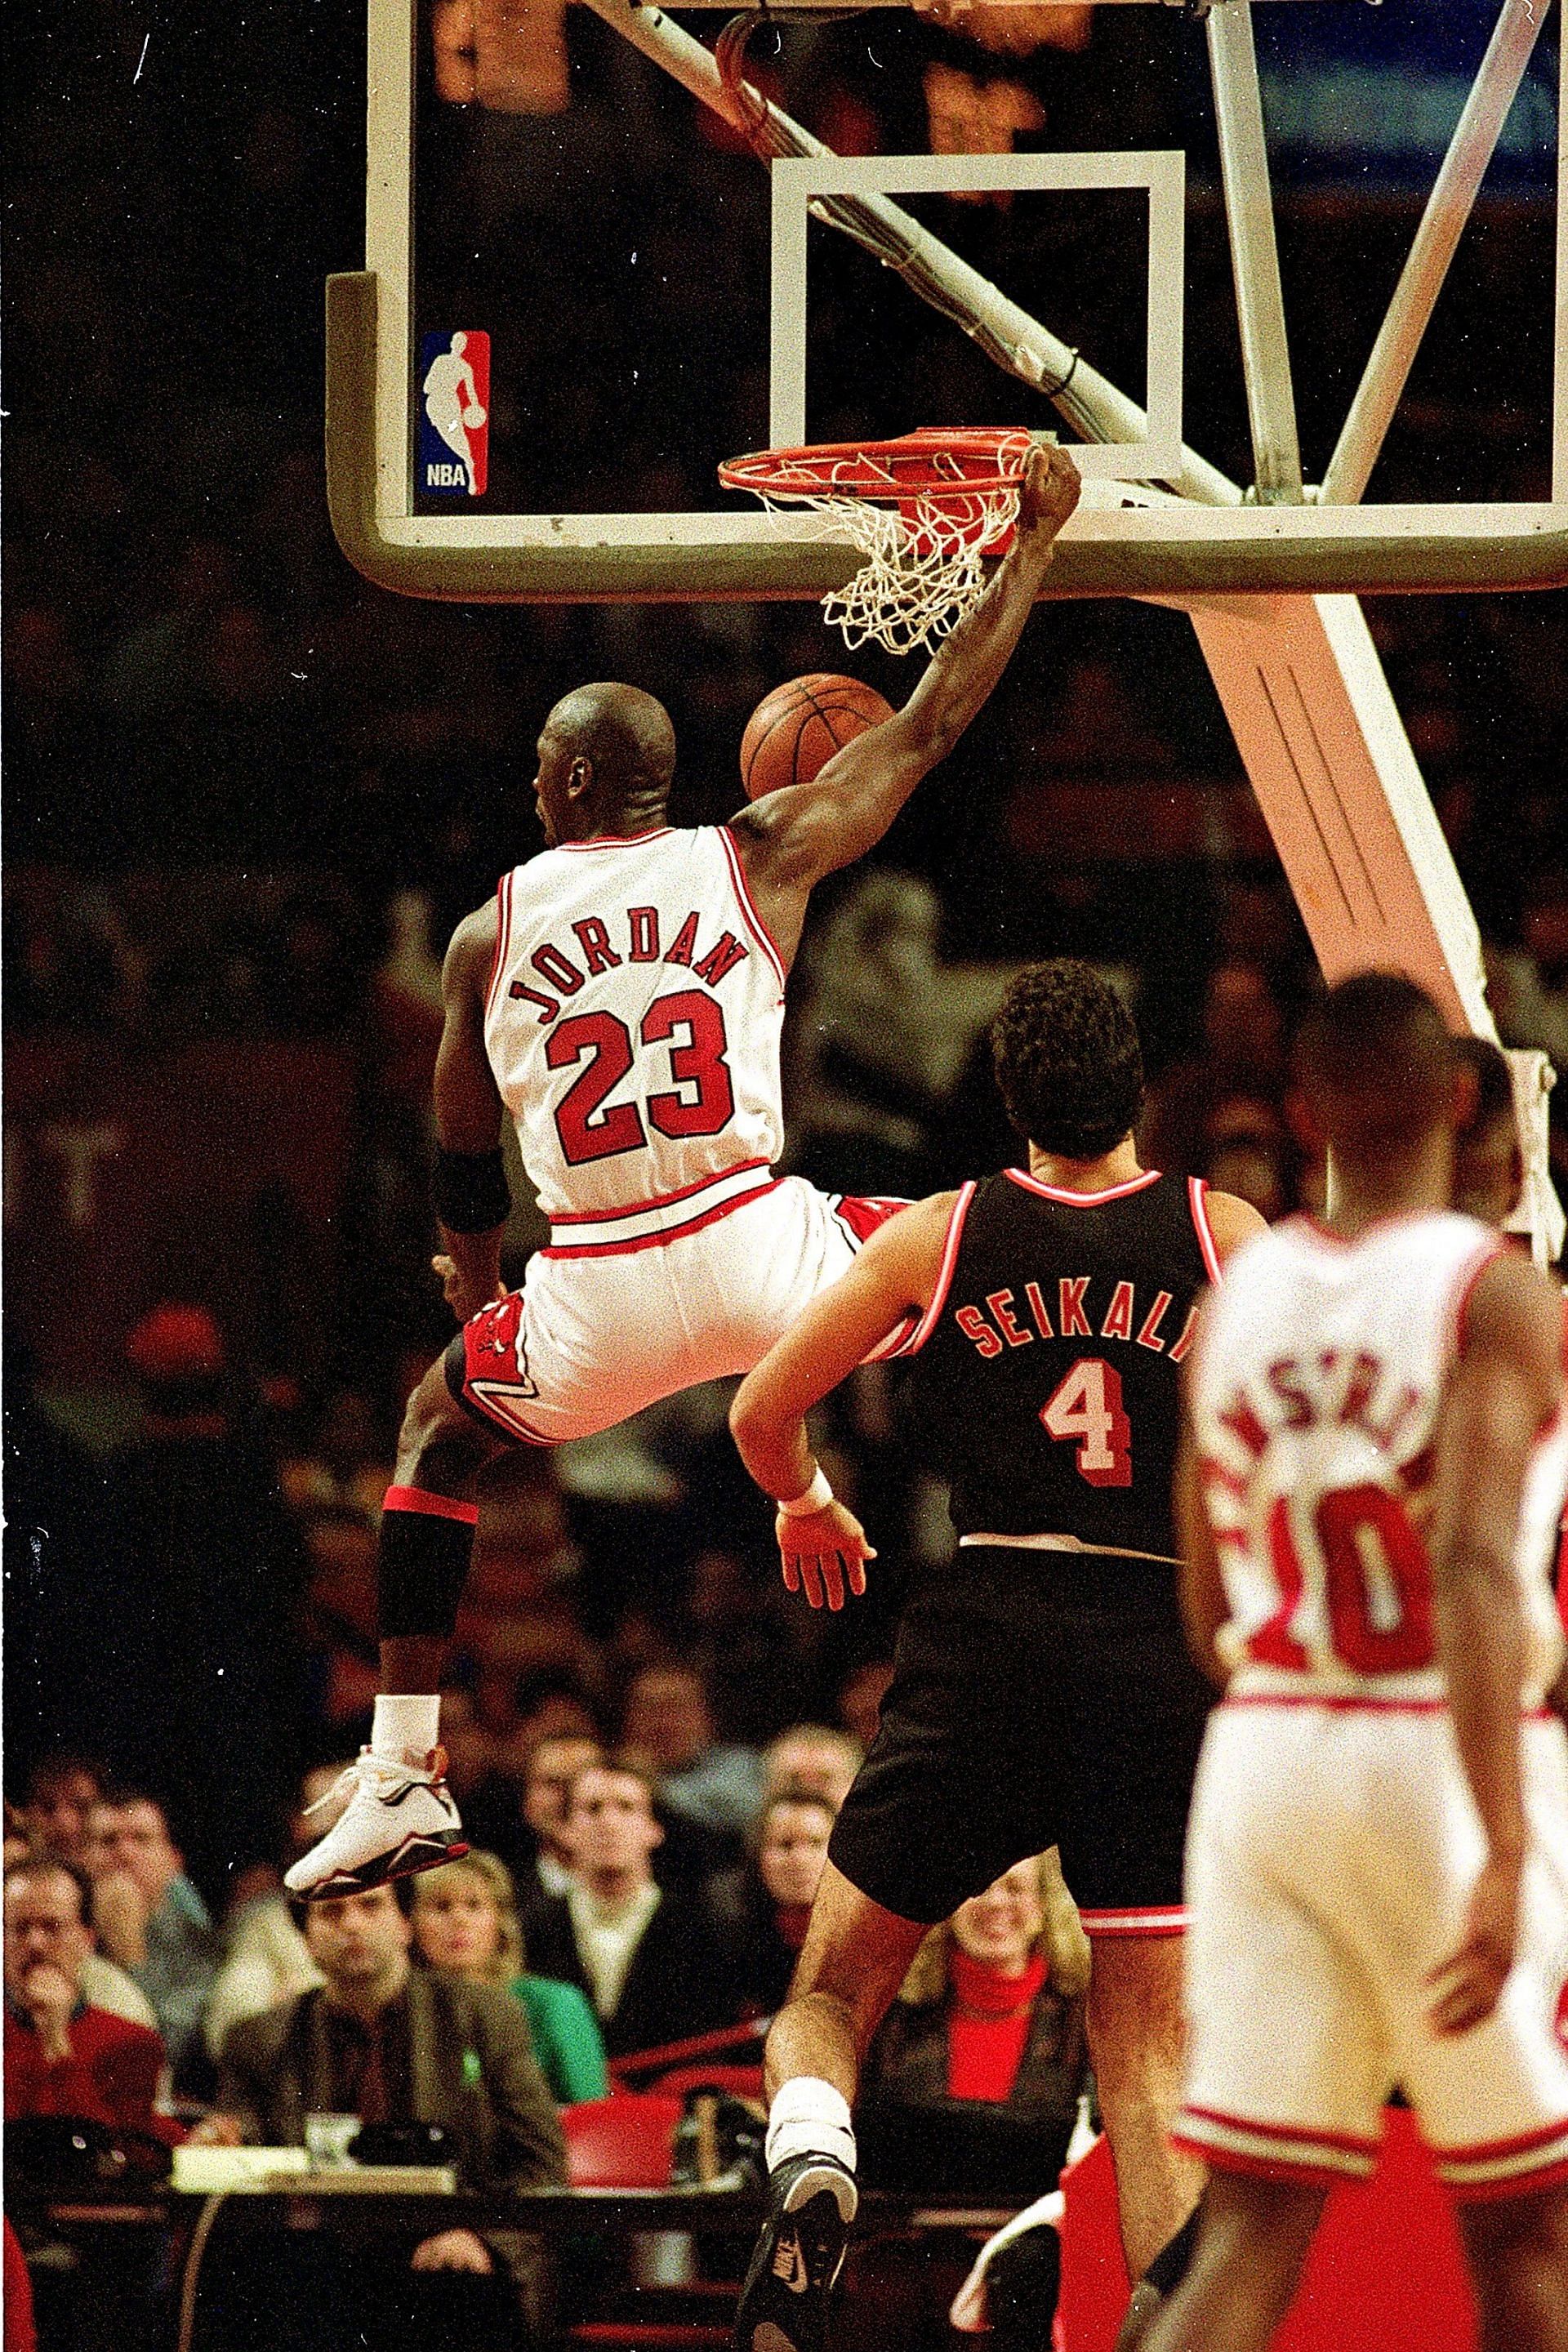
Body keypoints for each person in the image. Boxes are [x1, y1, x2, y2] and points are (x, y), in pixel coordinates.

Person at [286, 443, 1083, 1902]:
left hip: (593, 1293)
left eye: (541, 766)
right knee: (1000, 1246)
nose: (529, 782)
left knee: (433, 1439)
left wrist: (475, 1279)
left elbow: (459, 1139)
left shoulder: (486, 932)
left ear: (574, 779)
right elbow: (926, 729)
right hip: (764, 1251)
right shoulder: (760, 855)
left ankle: (401, 1771)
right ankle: (1081, 1555)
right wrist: (1029, 551)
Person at [725, 957, 1267, 2352]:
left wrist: (808, 1502)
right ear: (1144, 1084)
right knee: (1146, 2055)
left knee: (832, 1998)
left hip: (990, 1632)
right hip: (1159, 1640)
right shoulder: (1231, 1237)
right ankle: (1178, 2328)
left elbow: (761, 1412)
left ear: (1005, 1096)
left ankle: (811, 2158)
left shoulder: (939, 1236)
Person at [1142, 972, 1568, 2352]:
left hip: (1264, 1750)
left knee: (1252, 2233)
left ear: (1305, 1108)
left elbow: (1207, 1611)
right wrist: (1501, 1844)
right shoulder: (1489, 1294)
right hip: (1436, 1750)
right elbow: (1476, 1567)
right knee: (1524, 2227)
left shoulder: (1236, 1303)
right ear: (1461, 1100)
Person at [210, 1881, 565, 2351]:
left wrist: (483, 2237)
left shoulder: (482, 2015)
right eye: (332, 1913)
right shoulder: (260, 2040)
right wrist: (219, 2139)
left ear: (404, 1925)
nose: (353, 1924)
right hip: (319, 2253)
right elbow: (240, 2141)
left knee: (454, 2290)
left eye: (370, 1906)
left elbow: (541, 2162)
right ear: (307, 1938)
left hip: (449, 2243)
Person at [858, 1853, 1090, 2199]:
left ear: (1043, 1907)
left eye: (1014, 1889)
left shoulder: (1082, 2023)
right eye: (976, 1887)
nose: (995, 1902)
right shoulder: (893, 2019)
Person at [523, 1753, 746, 2059]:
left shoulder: (702, 1927)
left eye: (626, 1808)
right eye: (592, 1808)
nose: (608, 1822)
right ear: (567, 1831)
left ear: (654, 1829)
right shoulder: (532, 1927)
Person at [409, 1849, 609, 2102]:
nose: (459, 1920)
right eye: (442, 1907)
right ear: (411, 1925)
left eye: (474, 1906)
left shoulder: (555, 2005)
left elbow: (592, 2117)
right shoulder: (406, 2012)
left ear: (500, 1922)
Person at [3, 1860, 174, 2142]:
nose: (35, 1943)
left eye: (52, 1927)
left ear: (86, 1939)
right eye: (20, 1928)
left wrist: (56, 2042)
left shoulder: (131, 2043)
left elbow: (109, 2154)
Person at [80, 1790, 220, 2093]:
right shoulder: (61, 1932)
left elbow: (172, 2048)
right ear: (83, 1858)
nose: (124, 1854)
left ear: (173, 1861)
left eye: (141, 1839)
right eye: (108, 1841)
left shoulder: (200, 1945)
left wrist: (129, 1953)